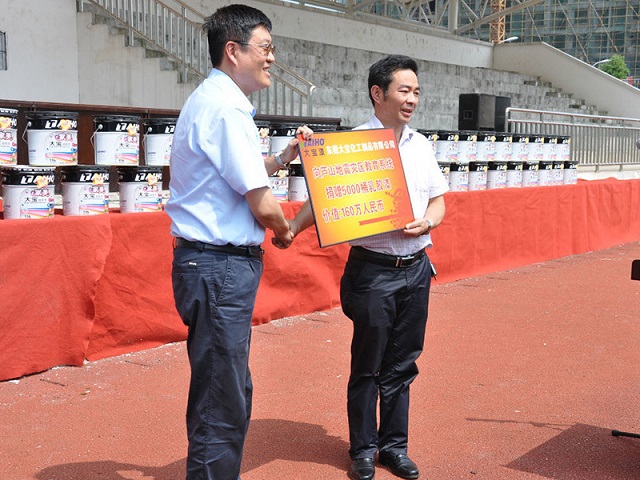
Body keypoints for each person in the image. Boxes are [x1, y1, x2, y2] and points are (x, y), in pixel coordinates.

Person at [164, 5, 312, 479]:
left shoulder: (215, 101)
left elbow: (240, 171)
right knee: (221, 397)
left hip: (212, 266)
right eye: (265, 48)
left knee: (226, 386)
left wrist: (284, 157)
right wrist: (287, 230)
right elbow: (261, 202)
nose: (272, 58)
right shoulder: (226, 108)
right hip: (219, 267)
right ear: (233, 50)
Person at [289, 54, 449, 480]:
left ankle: (394, 447)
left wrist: (428, 222)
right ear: (378, 93)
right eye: (404, 90)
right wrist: (291, 229)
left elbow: (439, 201)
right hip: (373, 272)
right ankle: (363, 448)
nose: (412, 99)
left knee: (404, 363)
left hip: (416, 268)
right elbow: (323, 201)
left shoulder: (421, 145)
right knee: (368, 364)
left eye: (416, 92)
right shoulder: (351, 145)